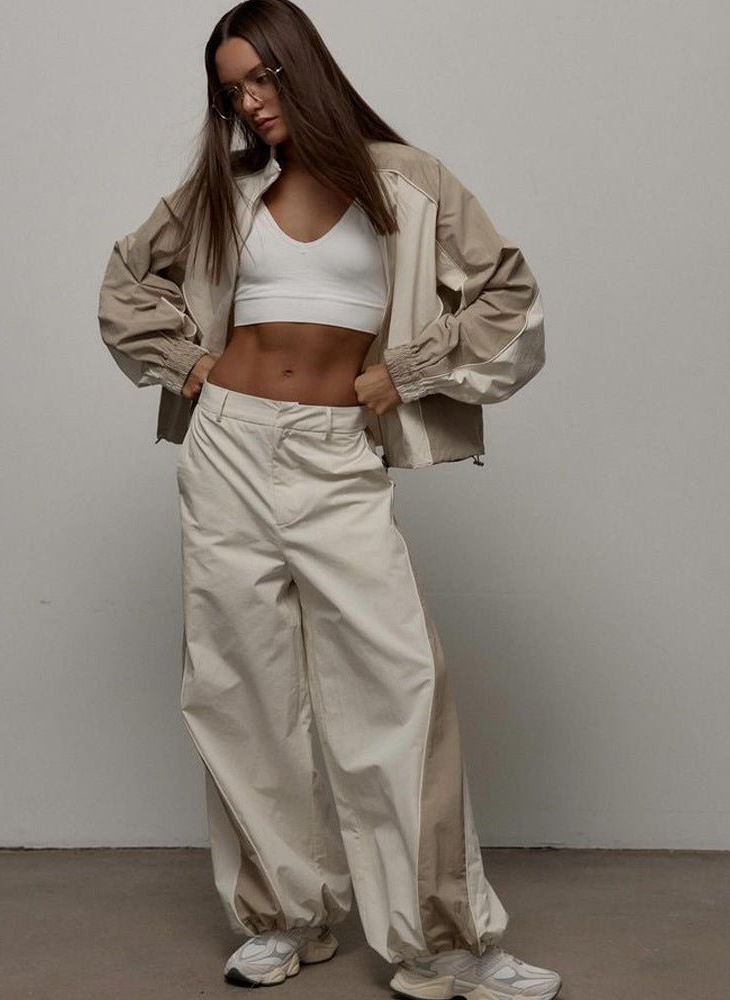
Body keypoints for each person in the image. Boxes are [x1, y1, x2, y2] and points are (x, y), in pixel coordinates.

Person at [97, 2, 558, 998]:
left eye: (262, 78)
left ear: (303, 66)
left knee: (399, 684)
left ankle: (442, 945)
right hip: (227, 447)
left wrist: (408, 369)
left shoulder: (408, 180)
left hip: (335, 452)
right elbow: (128, 283)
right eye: (232, 90)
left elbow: (506, 294)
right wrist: (191, 367)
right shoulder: (224, 188)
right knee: (241, 689)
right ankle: (283, 917)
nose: (250, 103)